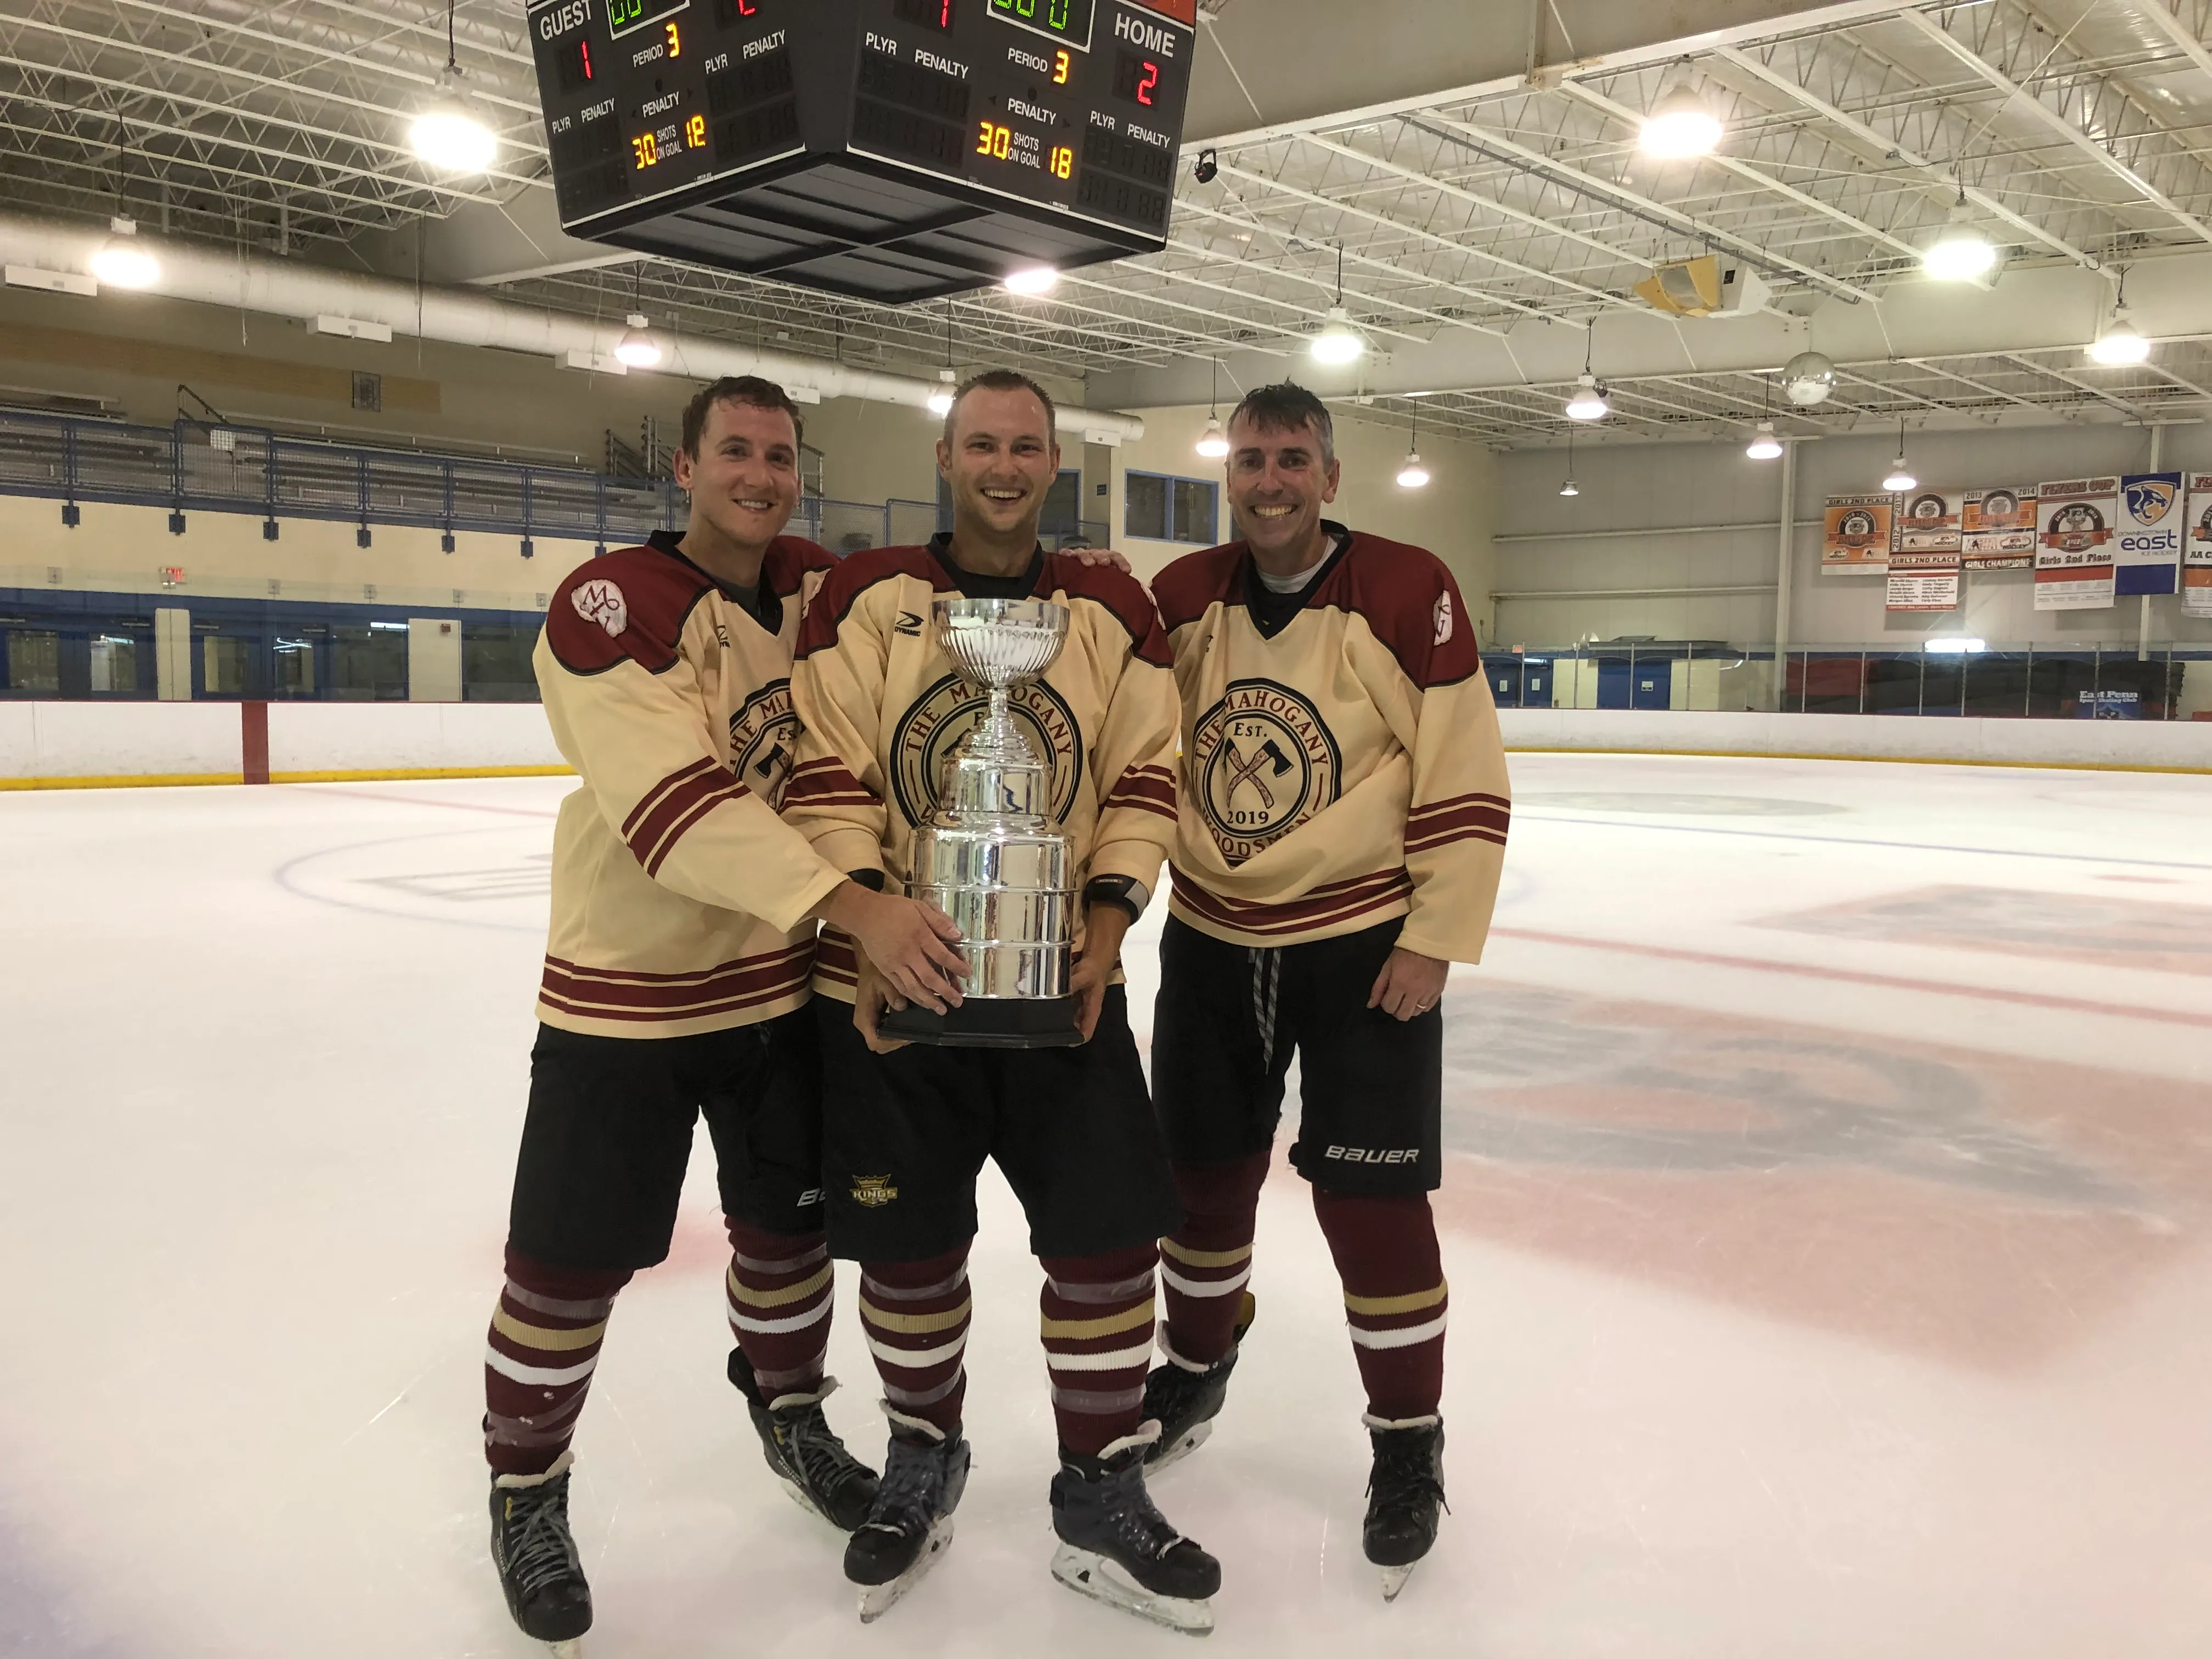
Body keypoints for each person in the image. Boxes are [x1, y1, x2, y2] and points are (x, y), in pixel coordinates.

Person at [482, 376, 971, 1651]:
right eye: (734, 452)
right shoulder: (609, 606)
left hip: (768, 994)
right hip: (624, 998)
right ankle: (527, 1490)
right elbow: (674, 805)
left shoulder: (813, 586)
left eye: (778, 455)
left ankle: (793, 1418)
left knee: (786, 1237)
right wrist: (854, 908)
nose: (760, 473)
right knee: (566, 1266)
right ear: (685, 469)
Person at [783, 370, 1218, 1633]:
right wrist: (865, 916)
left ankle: (1098, 1488)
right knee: (909, 1251)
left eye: (1027, 445)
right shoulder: (868, 600)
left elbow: (1147, 769)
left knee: (1104, 1243)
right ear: (945, 455)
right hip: (895, 981)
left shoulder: (1107, 605)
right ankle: (924, 1456)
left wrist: (1105, 912)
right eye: (983, 443)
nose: (1006, 465)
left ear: (1054, 462)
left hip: (1060, 980)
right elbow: (829, 769)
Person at [1143, 381, 1512, 1602]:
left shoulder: (1407, 588)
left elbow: (1463, 767)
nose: (1270, 481)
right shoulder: (1185, 597)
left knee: (1374, 1205)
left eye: (1292, 459)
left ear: (1330, 478)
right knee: (1198, 1182)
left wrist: (1436, 935)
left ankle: (1408, 1443)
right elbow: (1135, 747)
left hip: (1363, 946)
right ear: (1229, 477)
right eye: (1250, 460)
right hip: (1210, 936)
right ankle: (1197, 1356)